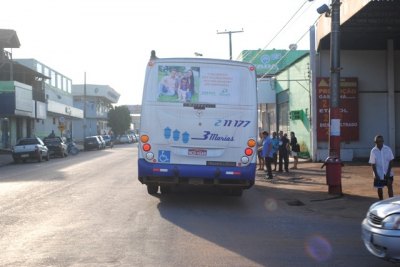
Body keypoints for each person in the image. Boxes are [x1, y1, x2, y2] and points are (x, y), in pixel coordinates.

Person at [369, 134, 394, 200]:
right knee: (379, 188)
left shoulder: (388, 149)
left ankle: (391, 202)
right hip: (378, 173)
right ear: (375, 142)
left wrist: (388, 172)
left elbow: (391, 161)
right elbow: (373, 164)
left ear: (383, 141)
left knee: (390, 187)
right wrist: (376, 175)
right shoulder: (373, 151)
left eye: (381, 141)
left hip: (388, 172)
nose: (380, 143)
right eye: (378, 141)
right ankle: (381, 201)